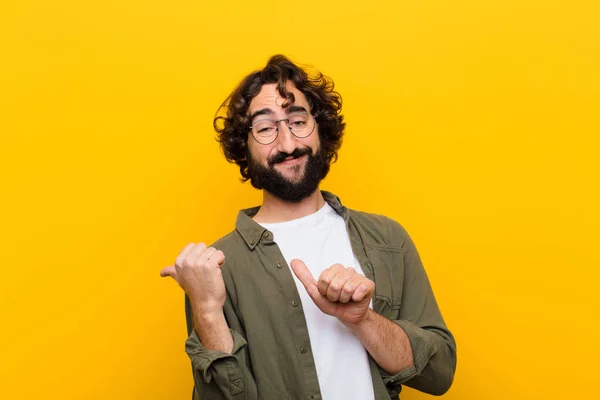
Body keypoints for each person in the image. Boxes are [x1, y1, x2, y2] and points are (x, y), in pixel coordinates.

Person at [160, 55, 457, 400]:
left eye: (298, 121)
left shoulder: (387, 239)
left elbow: (440, 374)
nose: (288, 144)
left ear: (321, 130)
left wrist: (363, 321)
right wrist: (208, 312)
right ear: (246, 145)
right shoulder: (215, 268)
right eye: (266, 128)